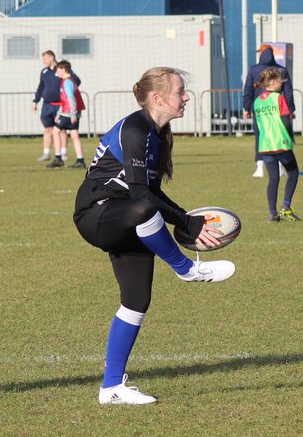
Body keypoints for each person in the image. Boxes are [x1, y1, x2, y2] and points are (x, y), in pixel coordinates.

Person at [74, 67, 235, 406]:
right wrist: (187, 223)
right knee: (143, 210)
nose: (186, 97)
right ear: (158, 98)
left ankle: (111, 388)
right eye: (180, 92)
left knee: (136, 300)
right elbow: (140, 195)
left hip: (128, 217)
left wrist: (186, 223)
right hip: (97, 215)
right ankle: (186, 269)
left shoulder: (159, 135)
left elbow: (150, 193)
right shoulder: (135, 129)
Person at [254, 67, 300, 221]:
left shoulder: (257, 102)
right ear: (273, 82)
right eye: (280, 81)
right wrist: (291, 137)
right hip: (280, 142)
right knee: (293, 173)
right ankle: (286, 206)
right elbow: (286, 120)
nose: (282, 83)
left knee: (273, 179)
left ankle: (273, 214)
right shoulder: (278, 98)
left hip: (265, 145)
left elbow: (259, 124)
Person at [243, 44, 294, 178]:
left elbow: (248, 89)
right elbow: (288, 92)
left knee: (261, 136)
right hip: (277, 107)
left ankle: (259, 167)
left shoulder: (254, 70)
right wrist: (291, 109)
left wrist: (246, 108)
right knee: (278, 135)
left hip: (260, 108)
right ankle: (280, 166)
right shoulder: (281, 69)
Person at [52, 60, 87, 169]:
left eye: (58, 70)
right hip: (72, 112)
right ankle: (80, 160)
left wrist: (72, 114)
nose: (57, 72)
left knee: (55, 131)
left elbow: (71, 99)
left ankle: (58, 158)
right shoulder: (69, 81)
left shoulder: (67, 82)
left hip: (68, 113)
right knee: (74, 135)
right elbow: (65, 99)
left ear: (63, 70)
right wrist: (59, 113)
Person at [33, 50, 61, 162]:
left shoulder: (61, 69)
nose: (43, 61)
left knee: (61, 130)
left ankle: (62, 153)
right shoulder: (44, 72)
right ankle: (46, 153)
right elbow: (40, 87)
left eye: (45, 59)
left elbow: (74, 81)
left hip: (60, 105)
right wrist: (35, 101)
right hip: (47, 105)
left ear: (52, 57)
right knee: (47, 129)